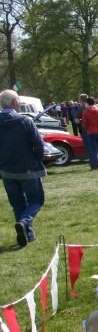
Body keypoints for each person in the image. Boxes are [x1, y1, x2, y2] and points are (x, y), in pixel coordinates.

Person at [0, 89, 45, 247]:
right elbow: (38, 144)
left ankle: (27, 235)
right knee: (36, 200)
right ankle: (25, 223)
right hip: (27, 169)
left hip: (6, 170)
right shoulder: (24, 121)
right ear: (13, 102)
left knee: (17, 204)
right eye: (18, 100)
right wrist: (39, 160)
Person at [80, 96, 98, 169]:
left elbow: (84, 123)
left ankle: (96, 165)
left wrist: (86, 129)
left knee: (94, 149)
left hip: (91, 132)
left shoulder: (85, 112)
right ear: (94, 102)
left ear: (87, 103)